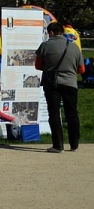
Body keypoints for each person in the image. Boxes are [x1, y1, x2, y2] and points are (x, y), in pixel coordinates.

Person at [35, 22, 85, 153]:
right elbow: (82, 69)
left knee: (54, 113)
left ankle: (58, 145)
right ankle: (74, 144)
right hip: (70, 84)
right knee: (72, 113)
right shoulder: (75, 48)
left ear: (51, 33)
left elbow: (38, 66)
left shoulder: (45, 45)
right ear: (62, 32)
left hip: (52, 84)